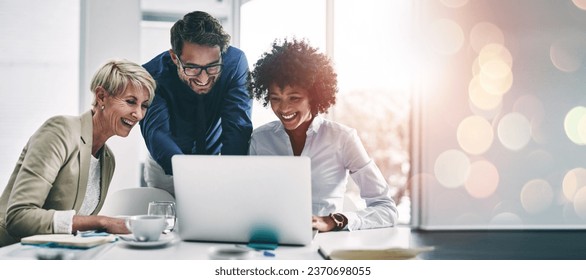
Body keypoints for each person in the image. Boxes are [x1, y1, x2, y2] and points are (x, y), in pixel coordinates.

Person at [0, 59, 156, 247]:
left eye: (144, 105)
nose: (138, 114)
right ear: (101, 96)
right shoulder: (60, 131)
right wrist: (103, 222)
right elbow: (19, 217)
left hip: (56, 256)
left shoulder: (107, 160)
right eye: (131, 102)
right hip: (11, 253)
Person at [248, 38, 398, 232]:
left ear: (314, 96)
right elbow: (248, 199)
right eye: (275, 99)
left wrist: (333, 221)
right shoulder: (260, 140)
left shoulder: (342, 138)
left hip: (326, 242)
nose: (284, 108)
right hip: (272, 239)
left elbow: (386, 209)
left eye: (294, 98)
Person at [140, 11, 252, 196]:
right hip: (167, 166)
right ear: (175, 58)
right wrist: (193, 178)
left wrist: (230, 175)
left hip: (217, 161)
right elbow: (157, 133)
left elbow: (238, 126)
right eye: (192, 67)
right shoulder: (150, 75)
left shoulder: (235, 63)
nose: (203, 78)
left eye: (212, 66)